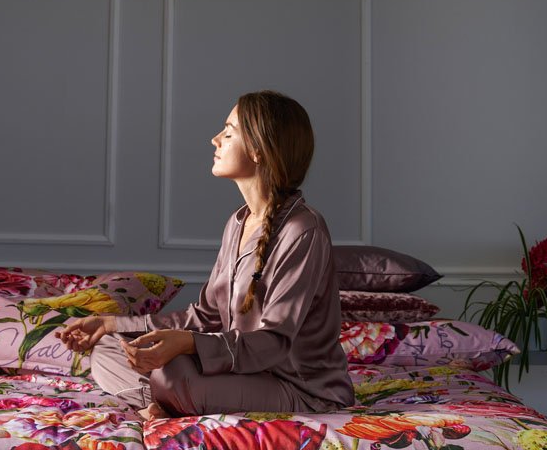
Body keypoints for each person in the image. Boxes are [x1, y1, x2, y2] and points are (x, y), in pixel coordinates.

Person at [55, 90, 352, 419]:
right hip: (237, 373)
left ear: (258, 150)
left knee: (173, 373)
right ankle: (160, 405)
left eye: (229, 131)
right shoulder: (237, 223)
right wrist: (112, 324)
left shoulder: (303, 230)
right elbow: (204, 317)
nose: (215, 139)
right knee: (109, 348)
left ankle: (164, 400)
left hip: (297, 387)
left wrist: (189, 344)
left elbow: (274, 342)